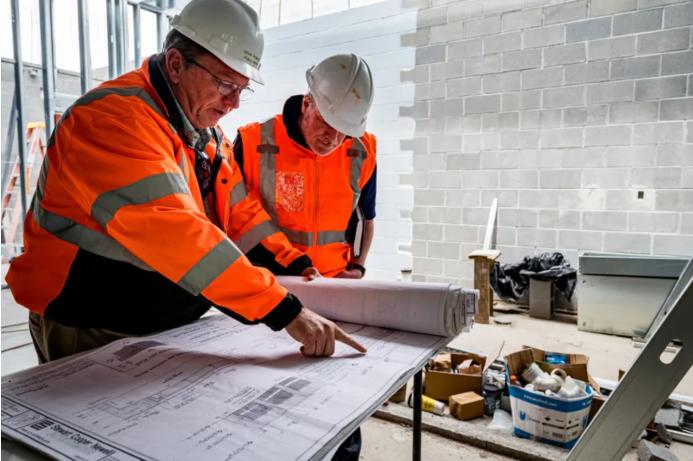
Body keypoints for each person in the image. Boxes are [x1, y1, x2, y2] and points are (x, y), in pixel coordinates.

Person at [5, 0, 365, 364]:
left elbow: (242, 216)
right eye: (226, 84)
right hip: (91, 325)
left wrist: (293, 265)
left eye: (243, 88)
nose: (234, 103)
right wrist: (283, 310)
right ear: (176, 64)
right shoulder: (112, 122)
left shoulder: (204, 134)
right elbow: (177, 233)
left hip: (157, 328)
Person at [233, 53, 377, 280]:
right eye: (326, 122)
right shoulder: (254, 141)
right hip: (270, 281)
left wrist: (358, 268)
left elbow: (366, 217)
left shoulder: (362, 151)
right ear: (306, 104)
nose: (334, 139)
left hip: (333, 282)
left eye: (345, 130)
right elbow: (233, 218)